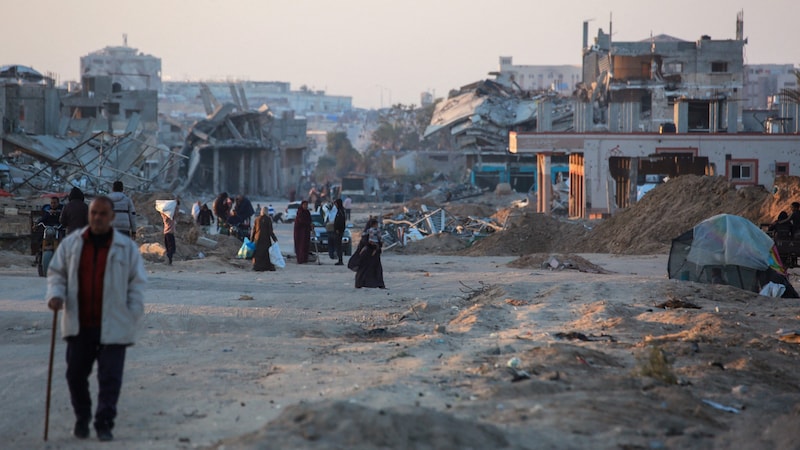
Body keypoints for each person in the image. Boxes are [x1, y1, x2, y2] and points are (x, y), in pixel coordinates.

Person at [45, 196, 146, 441]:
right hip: (81, 323)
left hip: (114, 323)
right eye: (94, 213)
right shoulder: (72, 245)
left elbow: (136, 284)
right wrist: (56, 295)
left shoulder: (127, 248)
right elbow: (57, 273)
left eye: (103, 214)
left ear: (112, 217)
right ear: (89, 215)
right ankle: (82, 417)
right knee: (75, 375)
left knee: (109, 378)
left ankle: (104, 423)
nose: (98, 218)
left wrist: (132, 313)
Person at [350, 218, 386, 289]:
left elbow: (379, 241)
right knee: (364, 269)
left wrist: (377, 247)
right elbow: (365, 243)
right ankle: (360, 284)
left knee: (376, 269)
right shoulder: (368, 233)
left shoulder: (375, 232)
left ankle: (378, 284)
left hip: (373, 254)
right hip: (367, 254)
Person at [251, 207, 278, 271]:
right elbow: (270, 231)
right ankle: (266, 267)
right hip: (266, 239)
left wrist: (252, 239)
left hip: (257, 239)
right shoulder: (268, 219)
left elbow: (254, 230)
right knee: (266, 254)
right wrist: (274, 238)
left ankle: (257, 266)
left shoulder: (257, 219)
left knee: (258, 254)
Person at [160, 200, 178, 265]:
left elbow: (162, 212)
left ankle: (169, 261)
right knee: (172, 249)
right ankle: (168, 260)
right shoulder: (170, 218)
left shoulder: (165, 218)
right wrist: (175, 207)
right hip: (170, 234)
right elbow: (175, 214)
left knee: (168, 248)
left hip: (166, 234)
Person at [332, 198, 346, 265]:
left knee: (338, 246)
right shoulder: (339, 211)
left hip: (339, 232)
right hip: (338, 231)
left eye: (336, 204)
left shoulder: (341, 212)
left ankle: (340, 260)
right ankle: (339, 259)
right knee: (338, 245)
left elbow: (341, 222)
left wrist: (338, 229)